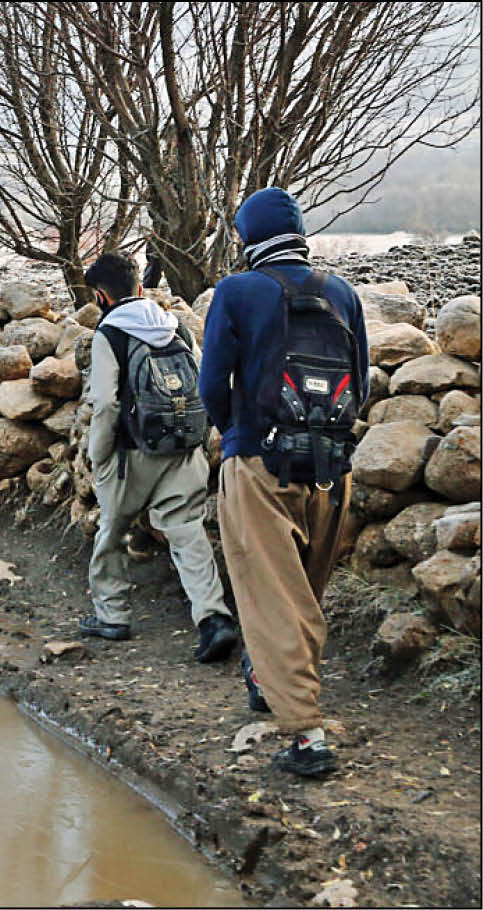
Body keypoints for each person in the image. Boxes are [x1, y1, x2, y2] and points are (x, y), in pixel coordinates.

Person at [200, 186, 369, 779]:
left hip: (260, 468)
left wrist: (238, 434)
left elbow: (210, 385)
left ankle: (305, 736)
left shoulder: (237, 291)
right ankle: (262, 674)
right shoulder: (342, 292)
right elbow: (363, 384)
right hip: (330, 472)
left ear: (247, 238)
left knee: (273, 598)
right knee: (302, 594)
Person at [77, 252, 239, 663]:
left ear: (101, 295)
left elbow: (107, 406)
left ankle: (112, 615)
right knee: (187, 532)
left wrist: (99, 457)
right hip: (183, 448)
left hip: (131, 453)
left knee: (112, 532)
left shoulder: (108, 335)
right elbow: (203, 381)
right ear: (139, 287)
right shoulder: (176, 326)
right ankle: (214, 619)